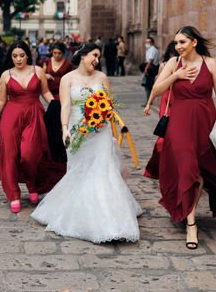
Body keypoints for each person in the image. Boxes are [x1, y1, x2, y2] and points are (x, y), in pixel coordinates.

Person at [151, 26, 216, 249]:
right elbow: (157, 89)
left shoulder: (210, 64)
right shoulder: (173, 64)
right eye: (176, 43)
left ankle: (189, 208)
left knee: (200, 171)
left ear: (194, 42)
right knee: (188, 168)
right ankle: (191, 224)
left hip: (204, 123)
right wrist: (176, 76)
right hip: (179, 123)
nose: (178, 47)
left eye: (182, 42)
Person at [31, 43, 142, 243]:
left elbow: (109, 105)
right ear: (82, 56)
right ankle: (79, 214)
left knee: (103, 169)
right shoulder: (67, 79)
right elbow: (65, 105)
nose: (97, 60)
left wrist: (103, 117)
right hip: (76, 130)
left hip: (100, 131)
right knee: (79, 170)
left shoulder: (102, 78)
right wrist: (65, 128)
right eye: (94, 55)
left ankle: (110, 221)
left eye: (98, 56)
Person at [0, 41, 66, 213]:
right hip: (11, 116)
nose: (18, 59)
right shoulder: (6, 75)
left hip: (34, 114)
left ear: (27, 55)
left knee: (29, 155)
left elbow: (45, 92)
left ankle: (32, 184)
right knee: (10, 155)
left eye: (21, 55)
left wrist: (56, 106)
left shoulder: (38, 71)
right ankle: (14, 194)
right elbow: (0, 99)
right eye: (15, 56)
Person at [143, 41, 178, 179]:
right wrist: (149, 103)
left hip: (178, 100)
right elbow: (157, 86)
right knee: (165, 134)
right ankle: (161, 165)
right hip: (167, 99)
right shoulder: (164, 65)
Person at [141, 36, 159, 106]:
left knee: (148, 85)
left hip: (152, 68)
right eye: (146, 42)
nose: (147, 43)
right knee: (147, 85)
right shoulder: (149, 49)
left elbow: (151, 60)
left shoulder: (153, 49)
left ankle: (149, 101)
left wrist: (146, 68)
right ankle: (148, 100)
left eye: (148, 42)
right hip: (150, 67)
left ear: (152, 43)